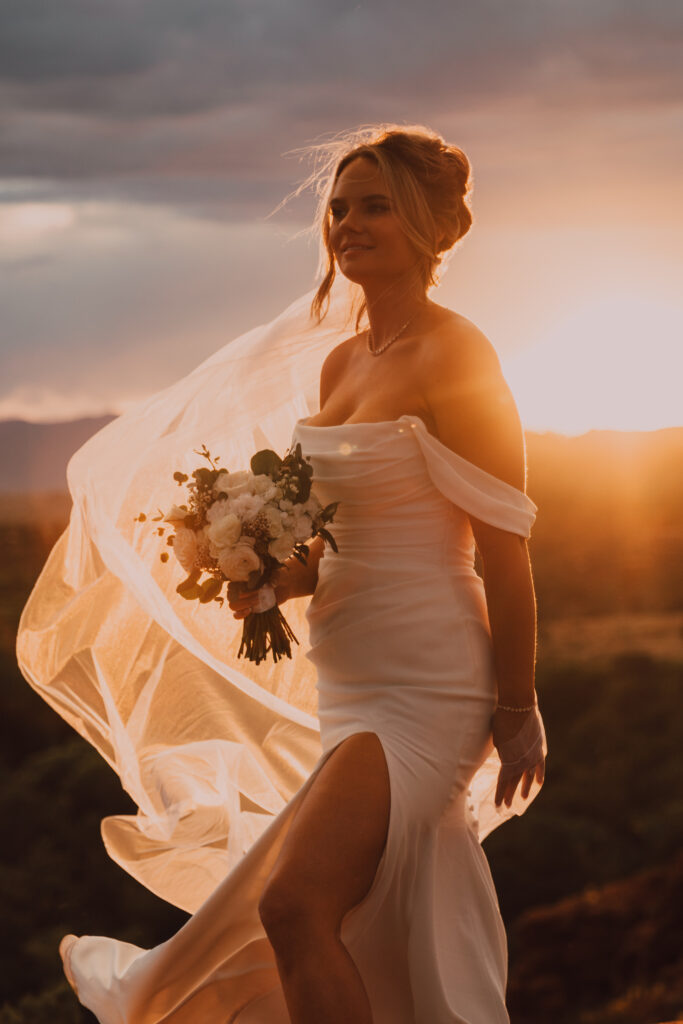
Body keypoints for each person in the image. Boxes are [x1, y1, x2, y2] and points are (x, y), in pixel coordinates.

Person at [19, 124, 546, 1023]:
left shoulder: (458, 353)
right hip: (349, 682)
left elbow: (505, 545)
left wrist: (517, 705)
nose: (347, 224)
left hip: (427, 682)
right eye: (338, 209)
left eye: (373, 205)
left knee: (290, 904)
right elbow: (339, 541)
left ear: (425, 222)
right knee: (336, 919)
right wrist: (271, 577)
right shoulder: (341, 360)